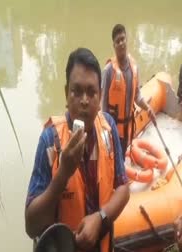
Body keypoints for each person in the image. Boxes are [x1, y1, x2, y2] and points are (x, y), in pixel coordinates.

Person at [25, 48, 130, 252]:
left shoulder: (108, 128)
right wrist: (63, 173)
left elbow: (123, 188)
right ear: (66, 94)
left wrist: (100, 218)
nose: (84, 100)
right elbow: (31, 226)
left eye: (91, 92)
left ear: (100, 97)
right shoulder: (49, 141)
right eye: (77, 91)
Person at [101, 24, 156, 157]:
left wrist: (147, 107)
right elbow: (103, 106)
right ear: (114, 46)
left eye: (122, 39)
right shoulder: (108, 71)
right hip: (113, 129)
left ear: (127, 39)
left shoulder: (134, 68)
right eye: (117, 41)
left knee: (122, 157)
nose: (121, 43)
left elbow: (137, 96)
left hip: (128, 128)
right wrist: (106, 130)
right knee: (113, 161)